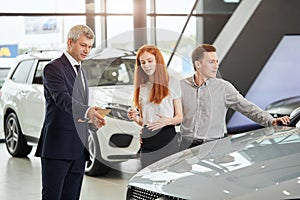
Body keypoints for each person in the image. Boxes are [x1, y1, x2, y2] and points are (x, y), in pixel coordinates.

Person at [35, 25, 106, 200]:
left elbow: (79, 106)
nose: (87, 50)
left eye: (89, 46)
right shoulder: (53, 68)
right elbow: (62, 99)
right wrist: (88, 111)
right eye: (83, 45)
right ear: (70, 42)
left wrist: (93, 120)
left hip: (78, 148)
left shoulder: (81, 70)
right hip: (58, 147)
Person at [180, 44, 290, 149]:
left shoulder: (224, 87)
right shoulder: (181, 86)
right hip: (185, 146)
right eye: (211, 62)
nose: (216, 66)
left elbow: (247, 108)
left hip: (214, 146)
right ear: (198, 64)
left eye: (216, 61)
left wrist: (271, 121)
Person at [127, 44, 183, 168]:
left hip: (167, 137)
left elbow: (179, 117)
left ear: (157, 61)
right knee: (147, 180)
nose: (146, 65)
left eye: (150, 61)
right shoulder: (141, 87)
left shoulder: (172, 82)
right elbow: (145, 121)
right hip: (147, 139)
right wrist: (136, 118)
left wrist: (166, 121)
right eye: (143, 62)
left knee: (168, 180)